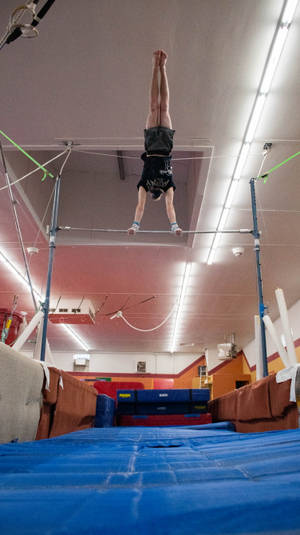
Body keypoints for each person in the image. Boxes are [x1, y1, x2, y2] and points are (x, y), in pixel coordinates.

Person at [128, 50, 182, 236]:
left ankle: (156, 66)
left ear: (153, 193)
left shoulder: (145, 184)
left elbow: (140, 206)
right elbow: (170, 206)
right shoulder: (168, 186)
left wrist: (135, 225)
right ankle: (162, 67)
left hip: (151, 147)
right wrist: (174, 226)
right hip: (165, 147)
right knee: (163, 107)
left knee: (154, 106)